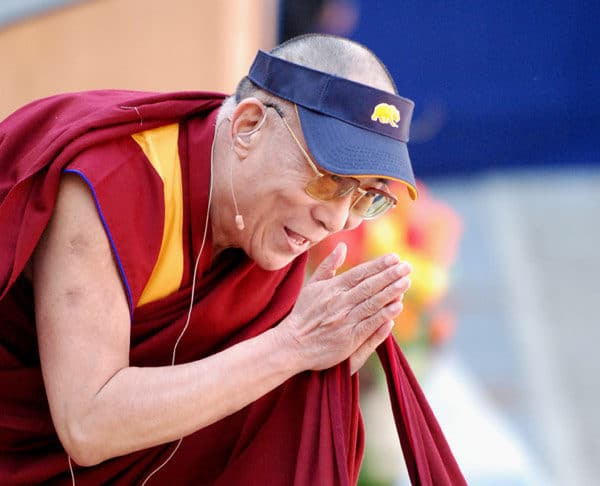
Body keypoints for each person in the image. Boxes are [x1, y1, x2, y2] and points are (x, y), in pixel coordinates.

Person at [0, 34, 465, 485]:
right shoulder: (113, 180)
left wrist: (313, 372)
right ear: (248, 127)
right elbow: (88, 422)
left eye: (367, 197)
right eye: (328, 180)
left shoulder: (265, 234)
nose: (338, 219)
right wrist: (293, 347)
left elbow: (245, 408)